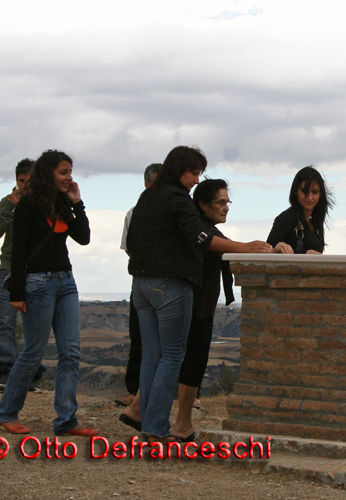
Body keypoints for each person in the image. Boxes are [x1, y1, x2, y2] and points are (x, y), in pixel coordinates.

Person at [125, 145, 273, 443]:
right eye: (193, 173)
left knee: (152, 356)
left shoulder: (148, 196)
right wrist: (244, 247)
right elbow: (202, 236)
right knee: (171, 357)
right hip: (169, 285)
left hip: (140, 285)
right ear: (180, 168)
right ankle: (155, 430)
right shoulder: (176, 198)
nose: (195, 181)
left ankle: (149, 427)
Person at [0, 150, 98, 436]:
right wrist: (17, 291)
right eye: (63, 172)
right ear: (49, 174)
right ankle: (7, 413)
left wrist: (78, 203)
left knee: (71, 353)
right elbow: (18, 252)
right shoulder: (27, 205)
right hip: (36, 283)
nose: (69, 177)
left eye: (70, 172)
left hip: (66, 282)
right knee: (33, 352)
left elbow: (84, 237)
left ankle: (66, 421)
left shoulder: (64, 203)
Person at [0, 159, 45, 392]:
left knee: (34, 323)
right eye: (21, 181)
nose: (24, 186)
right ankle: (5, 369)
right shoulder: (7, 202)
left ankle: (30, 371)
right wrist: (8, 208)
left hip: (34, 270)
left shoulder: (41, 203)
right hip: (8, 269)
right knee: (5, 320)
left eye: (28, 181)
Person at [114, 163, 160, 408]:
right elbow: (129, 248)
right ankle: (135, 390)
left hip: (159, 283)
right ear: (147, 183)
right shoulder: (134, 212)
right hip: (142, 282)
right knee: (140, 339)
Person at [267, 166, 334, 254]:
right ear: (295, 191)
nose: (309, 197)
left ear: (321, 194)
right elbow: (269, 249)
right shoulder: (288, 217)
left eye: (314, 192)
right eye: (304, 191)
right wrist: (304, 254)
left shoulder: (313, 223)